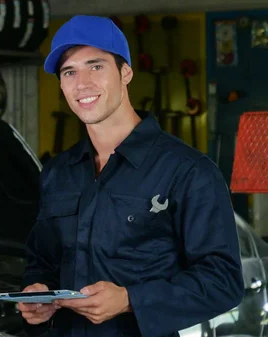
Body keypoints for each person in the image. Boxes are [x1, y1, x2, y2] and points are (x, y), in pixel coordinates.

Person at [18, 15, 244, 337]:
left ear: (126, 73)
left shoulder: (188, 171)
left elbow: (223, 281)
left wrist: (130, 300)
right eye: (70, 72)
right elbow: (42, 260)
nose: (82, 83)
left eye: (96, 66)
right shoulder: (58, 173)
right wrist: (37, 292)